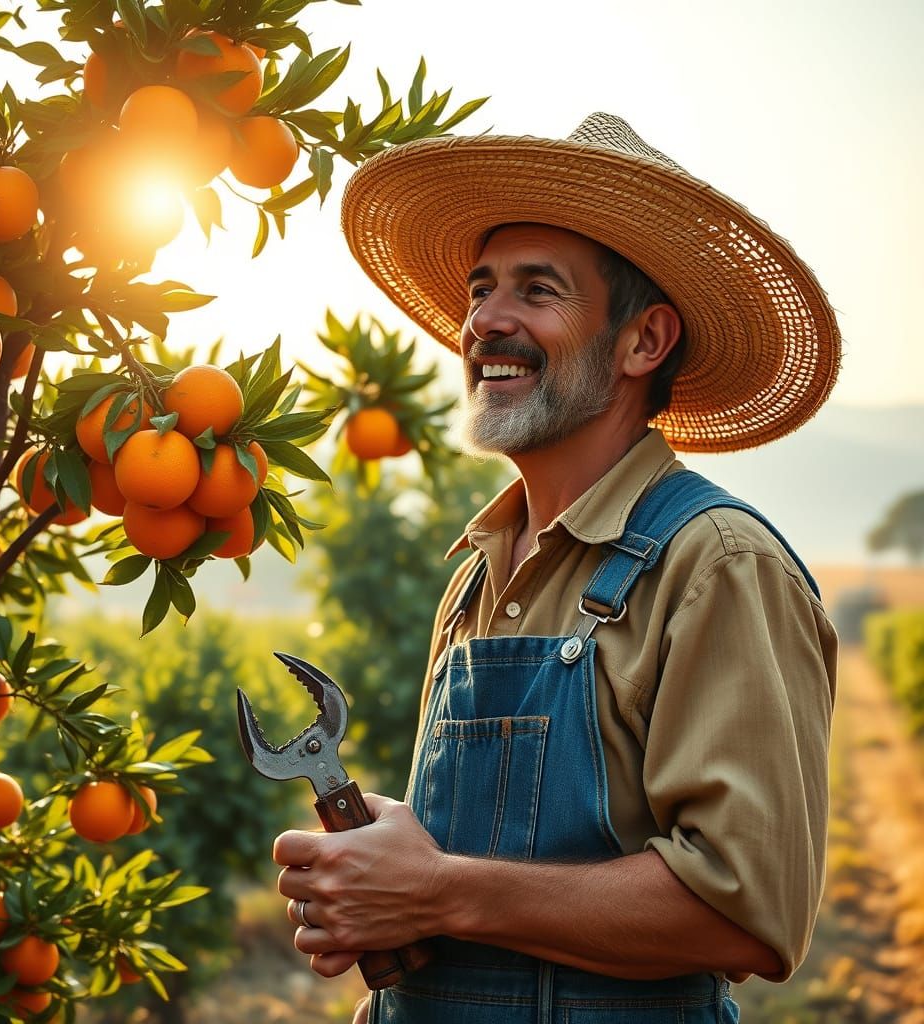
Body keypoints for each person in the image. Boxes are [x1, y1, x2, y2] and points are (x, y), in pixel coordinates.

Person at [273, 112, 839, 1023]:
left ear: (643, 342)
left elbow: (745, 913)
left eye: (538, 291)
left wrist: (440, 891)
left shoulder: (716, 566)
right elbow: (459, 875)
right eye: (481, 289)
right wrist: (381, 881)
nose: (486, 321)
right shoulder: (474, 577)